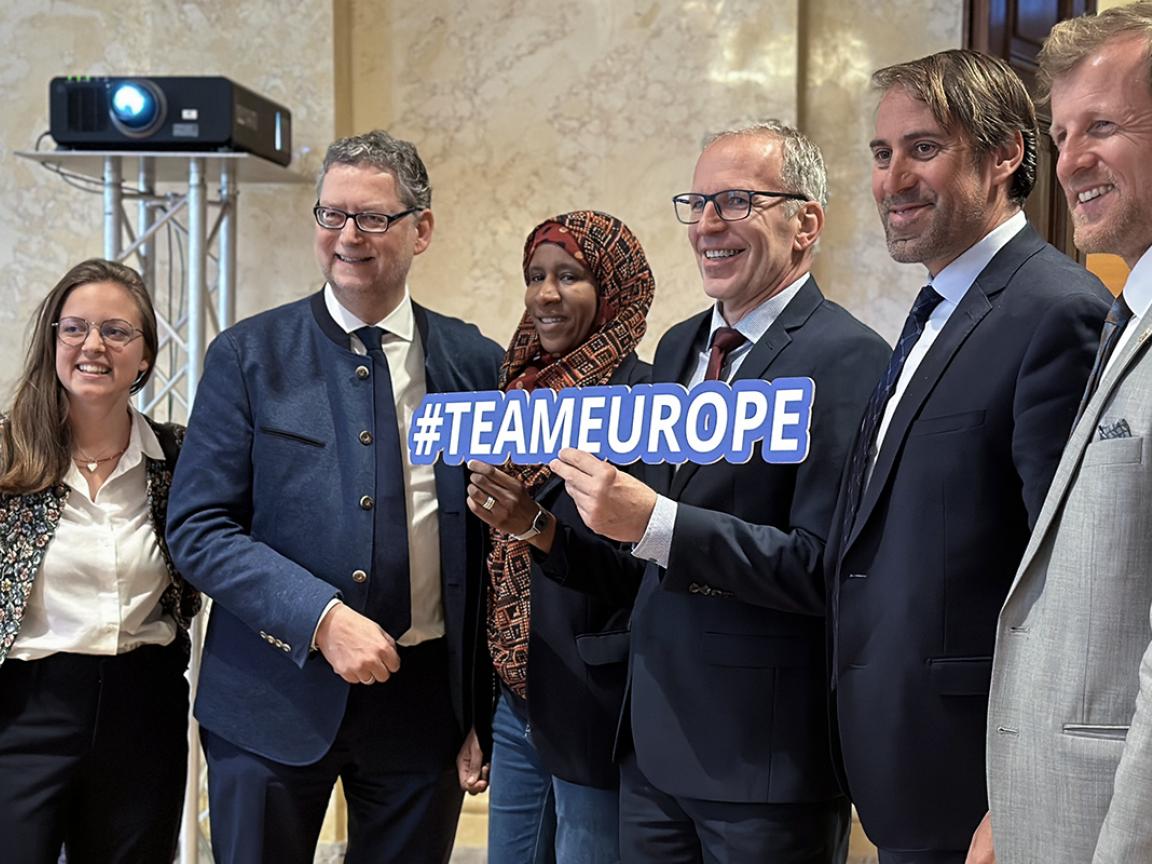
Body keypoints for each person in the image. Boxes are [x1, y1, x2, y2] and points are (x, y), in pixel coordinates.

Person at [549, 120, 890, 863]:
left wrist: (657, 522)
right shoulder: (677, 347)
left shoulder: (850, 358)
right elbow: (636, 550)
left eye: (735, 201)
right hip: (651, 748)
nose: (707, 224)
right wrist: (541, 526)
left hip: (763, 764)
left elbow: (820, 564)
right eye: (696, 202)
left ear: (806, 223)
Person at [166, 130, 502, 864]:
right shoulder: (247, 356)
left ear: (423, 228)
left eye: (374, 217)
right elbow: (197, 528)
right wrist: (319, 619)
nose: (348, 236)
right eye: (331, 215)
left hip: (424, 709)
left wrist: (483, 706)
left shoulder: (477, 363)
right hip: (270, 694)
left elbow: (493, 551)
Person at [823, 49, 1110, 864]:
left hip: (978, 789)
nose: (892, 179)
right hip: (900, 770)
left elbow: (1066, 582)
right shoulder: (935, 307)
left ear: (1006, 154)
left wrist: (1011, 794)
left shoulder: (1056, 309)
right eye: (882, 155)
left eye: (922, 148)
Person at [985, 5, 1152, 861]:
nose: (1070, 159)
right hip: (1045, 810)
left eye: (1103, 127)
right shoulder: (1125, 314)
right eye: (1059, 133)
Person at [465, 210, 654, 864]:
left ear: (613, 287)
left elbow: (645, 570)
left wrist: (537, 527)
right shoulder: (505, 392)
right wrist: (475, 707)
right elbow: (483, 563)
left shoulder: (645, 398)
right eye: (535, 276)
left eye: (569, 276)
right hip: (514, 698)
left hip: (594, 697)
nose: (546, 294)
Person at [0, 258, 199, 864]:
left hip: (143, 708)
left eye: (117, 331)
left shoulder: (179, 456)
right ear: (52, 341)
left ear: (144, 358)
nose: (93, 345)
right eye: (75, 328)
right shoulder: (7, 456)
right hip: (24, 709)